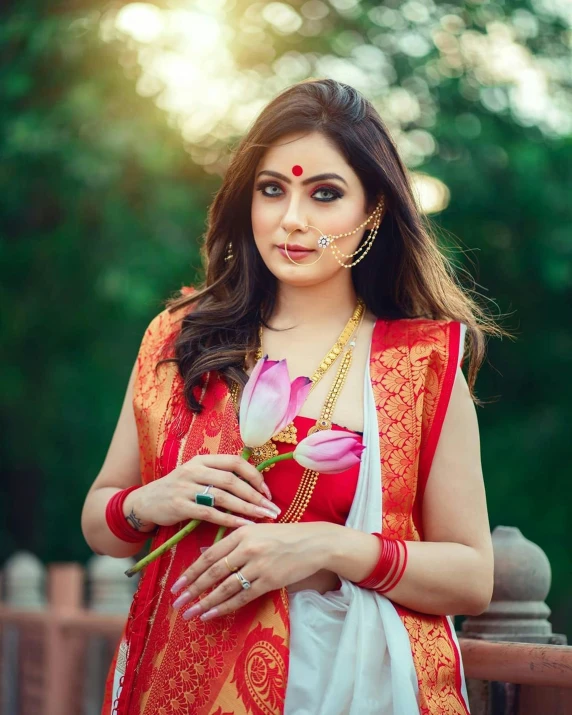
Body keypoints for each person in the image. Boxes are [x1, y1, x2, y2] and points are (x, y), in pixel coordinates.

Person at [82, 78, 503, 715]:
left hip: (339, 685)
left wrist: (328, 548)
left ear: (374, 211)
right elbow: (102, 522)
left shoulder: (420, 363)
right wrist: (150, 500)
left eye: (324, 194)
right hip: (180, 683)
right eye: (272, 189)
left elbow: (472, 577)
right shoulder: (182, 339)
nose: (292, 220)